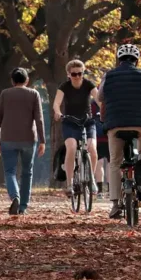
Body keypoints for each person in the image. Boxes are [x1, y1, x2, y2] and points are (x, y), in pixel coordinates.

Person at [98, 44, 141, 219]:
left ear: (119, 59)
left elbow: (101, 97)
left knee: (115, 162)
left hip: (115, 124)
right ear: (136, 60)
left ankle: (116, 204)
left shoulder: (108, 76)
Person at [0, 68, 46, 215]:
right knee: (27, 172)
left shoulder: (5, 94)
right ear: (27, 80)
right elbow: (39, 119)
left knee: (10, 171)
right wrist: (42, 140)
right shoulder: (34, 94)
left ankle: (14, 196)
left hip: (8, 138)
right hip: (29, 138)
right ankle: (23, 206)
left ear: (12, 80)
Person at [53, 60, 99, 196]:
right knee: (71, 147)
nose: (77, 77)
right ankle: (69, 183)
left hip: (87, 121)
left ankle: (92, 181)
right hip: (70, 121)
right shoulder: (64, 86)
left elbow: (98, 98)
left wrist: (103, 110)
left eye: (80, 73)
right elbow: (57, 103)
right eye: (74, 74)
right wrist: (57, 112)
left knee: (92, 149)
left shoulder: (88, 84)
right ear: (68, 74)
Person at [91, 100, 110, 198]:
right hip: (110, 136)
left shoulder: (93, 102)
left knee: (99, 163)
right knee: (112, 164)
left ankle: (100, 191)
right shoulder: (112, 99)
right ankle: (111, 190)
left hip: (97, 137)